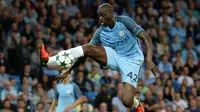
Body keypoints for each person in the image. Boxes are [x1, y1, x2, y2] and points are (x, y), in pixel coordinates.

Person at [39, 3, 159, 112]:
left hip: (132, 60)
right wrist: (69, 71)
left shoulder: (125, 21)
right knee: (87, 48)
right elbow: (84, 54)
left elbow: (146, 37)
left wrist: (149, 60)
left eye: (103, 15)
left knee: (127, 101)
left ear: (111, 14)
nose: (100, 19)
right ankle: (49, 61)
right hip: (115, 55)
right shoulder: (100, 32)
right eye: (99, 16)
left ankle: (137, 104)